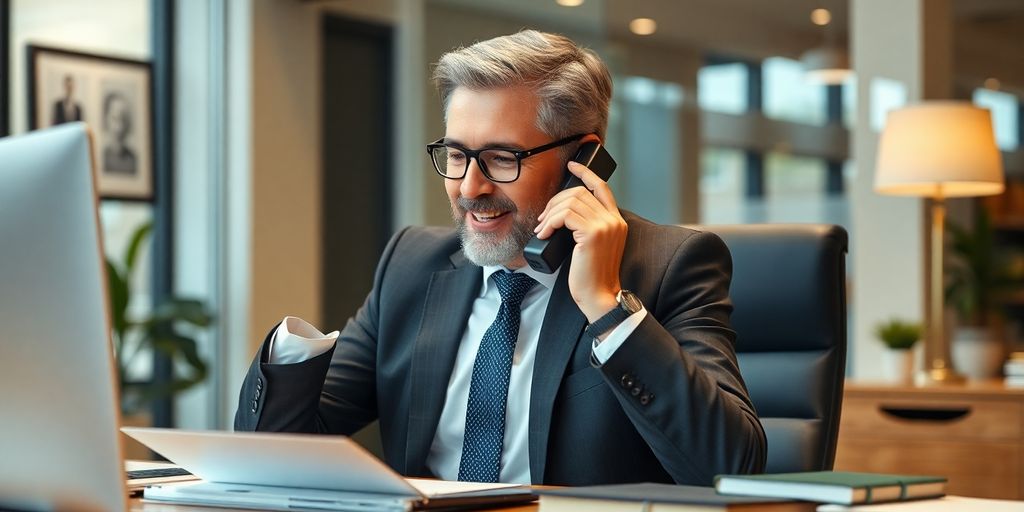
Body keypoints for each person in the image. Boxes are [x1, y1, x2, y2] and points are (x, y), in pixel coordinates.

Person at [235, 30, 766, 486]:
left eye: (500, 158)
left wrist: (607, 307)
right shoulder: (412, 264)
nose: (469, 186)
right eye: (457, 155)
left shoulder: (670, 266)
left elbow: (731, 469)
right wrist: (293, 350)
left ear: (584, 160)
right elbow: (280, 451)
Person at [101, 91, 137, 175]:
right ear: (106, 120)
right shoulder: (101, 158)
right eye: (115, 118)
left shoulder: (133, 160)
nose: (119, 127)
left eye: (123, 119)